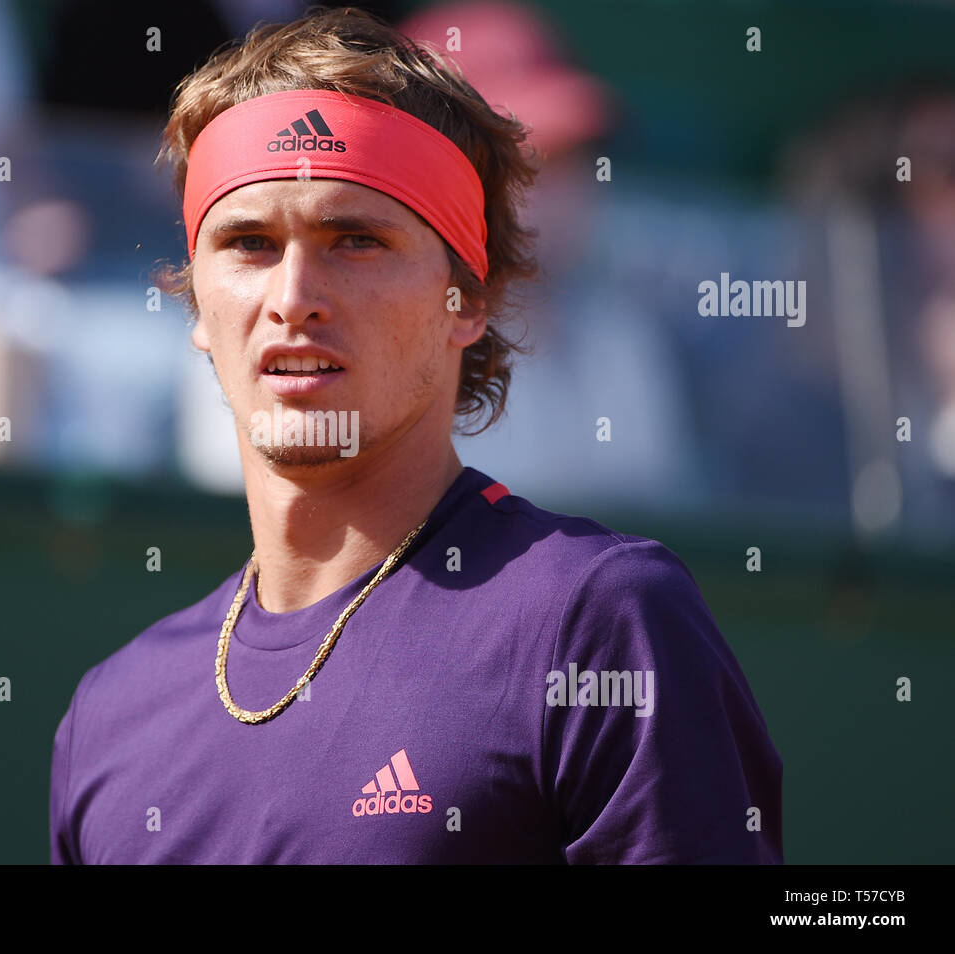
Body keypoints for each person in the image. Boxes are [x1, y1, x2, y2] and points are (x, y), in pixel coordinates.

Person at [50, 7, 783, 864]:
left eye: (355, 239)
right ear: (196, 307)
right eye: (248, 243)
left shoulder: (600, 622)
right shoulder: (107, 714)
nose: (293, 295)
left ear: (467, 299)